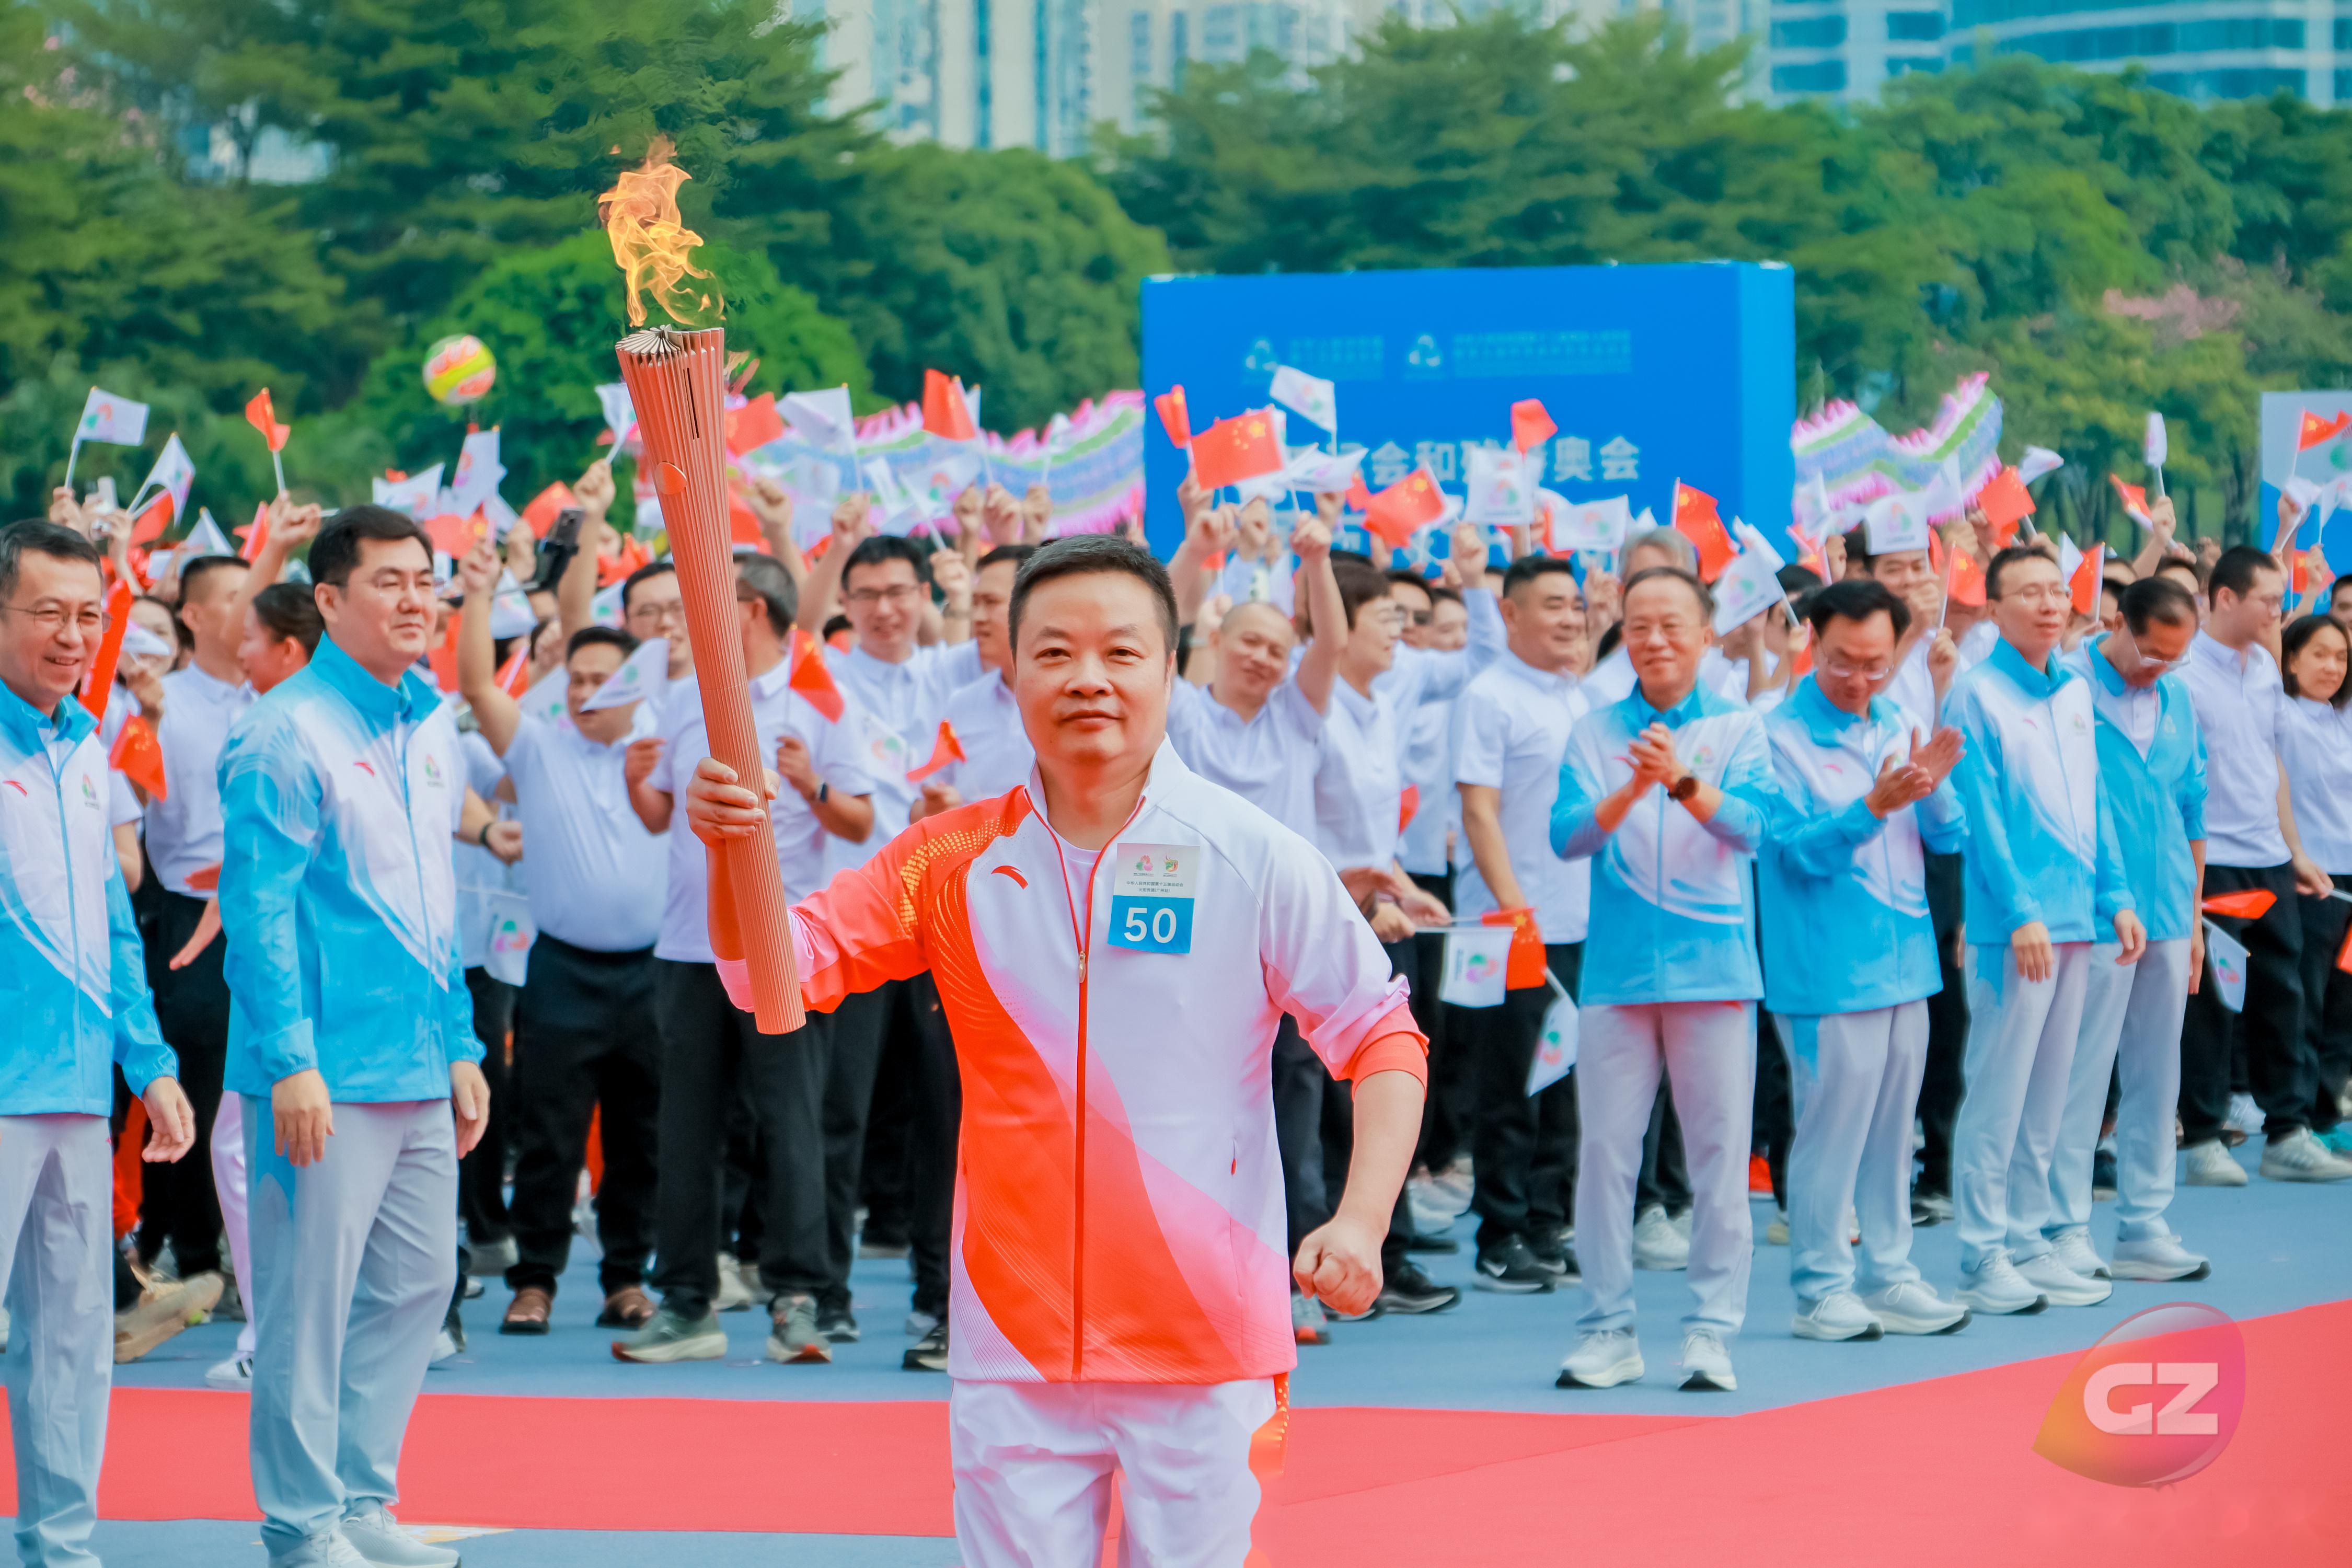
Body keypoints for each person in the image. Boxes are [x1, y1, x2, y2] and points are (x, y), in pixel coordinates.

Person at [681, 536, 1426, 1566]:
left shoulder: (1251, 857)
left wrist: (1363, 1218)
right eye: (1055, 653)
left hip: (1203, 1341)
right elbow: (770, 980)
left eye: (1122, 653)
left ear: (1175, 667)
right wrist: (731, 856)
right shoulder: (948, 862)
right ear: (1013, 669)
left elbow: (1381, 1032)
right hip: (1012, 1341)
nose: (1088, 679)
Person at [217, 506, 491, 1568]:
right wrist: (290, 1061)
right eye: (390, 582)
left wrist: (463, 1041)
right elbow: (259, 909)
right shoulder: (283, 731)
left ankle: (363, 1500)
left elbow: (438, 903)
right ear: (328, 601)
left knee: (419, 1285)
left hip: (419, 1060)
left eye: (427, 580)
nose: (418, 599)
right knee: (306, 1306)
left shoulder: (430, 728)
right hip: (323, 1072)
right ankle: (301, 1524)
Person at [617, 551, 877, 1364]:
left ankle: (799, 1298)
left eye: (706, 599)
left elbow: (860, 823)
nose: (686, 618)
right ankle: (688, 1301)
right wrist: (637, 781)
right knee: (687, 1130)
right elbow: (660, 815)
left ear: (754, 610)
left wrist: (805, 784)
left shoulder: (822, 699)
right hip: (690, 947)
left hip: (781, 949)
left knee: (790, 1125)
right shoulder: (683, 695)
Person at [0, 520, 195, 1568]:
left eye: (89, 614)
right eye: (49, 613)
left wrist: (150, 1063)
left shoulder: (83, 742)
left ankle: (61, 1547)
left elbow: (113, 928)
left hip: (75, 1095)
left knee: (70, 1345)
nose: (75, 636)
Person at [1549, 566, 1775, 1392]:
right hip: (1616, 973)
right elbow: (1567, 837)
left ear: (1707, 634)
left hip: (1714, 970)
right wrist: (1632, 788)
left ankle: (1713, 1330)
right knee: (1606, 1153)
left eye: (1673, 624)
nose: (1655, 639)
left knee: (1717, 1158)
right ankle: (1608, 1327)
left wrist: (1681, 782)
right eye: (1640, 625)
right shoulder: (1593, 731)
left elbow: (1757, 828)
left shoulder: (1740, 728)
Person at [456, 539, 667, 1334]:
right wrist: (480, 593)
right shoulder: (540, 748)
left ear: (633, 686)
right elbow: (478, 683)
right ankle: (534, 1278)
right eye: (573, 681)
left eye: (598, 682)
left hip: (652, 971)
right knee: (549, 1132)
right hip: (561, 971)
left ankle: (625, 1279)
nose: (582, 694)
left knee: (640, 1136)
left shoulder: (665, 742)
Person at [1760, 578, 1973, 1341]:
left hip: (1905, 960)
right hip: (1824, 970)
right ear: (1813, 644)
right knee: (1830, 1130)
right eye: (1846, 661)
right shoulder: (1774, 736)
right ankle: (1821, 1287)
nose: (1862, 679)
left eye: (1878, 663)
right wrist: (1874, 806)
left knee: (1894, 1130)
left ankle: (1890, 1272)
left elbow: (1947, 840)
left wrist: (1935, 790)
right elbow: (1791, 855)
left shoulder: (1900, 717)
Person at [1943, 546, 2142, 1318]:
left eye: (2057, 590)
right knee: (1999, 1090)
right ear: (1993, 610)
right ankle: (1981, 1251)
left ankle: (2029, 1237)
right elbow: (1980, 815)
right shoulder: (1976, 695)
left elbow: (2093, 803)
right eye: (2028, 593)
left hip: (2077, 920)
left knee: (2050, 1096)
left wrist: (2116, 895)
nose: (2049, 604)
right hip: (2012, 927)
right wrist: (2019, 909)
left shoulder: (2073, 693)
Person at [2043, 577, 2212, 1282]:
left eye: (2175, 657)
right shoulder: (2066, 687)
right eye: (2151, 652)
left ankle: (2144, 1223)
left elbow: (2193, 809)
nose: (2159, 668)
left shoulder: (2177, 698)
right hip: (2095, 911)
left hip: (2170, 907)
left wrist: (2197, 917)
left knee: (2156, 1070)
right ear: (2118, 621)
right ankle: (2062, 1225)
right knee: (2082, 1070)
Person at [2177, 543, 2347, 1182]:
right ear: (2225, 598)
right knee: (2216, 1001)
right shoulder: (2185, 673)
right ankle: (2201, 1138)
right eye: (2270, 601)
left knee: (2286, 993)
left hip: (2270, 860)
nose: (2282, 611)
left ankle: (2289, 1131)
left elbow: (2270, 761)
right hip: (2213, 861)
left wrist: (2296, 851)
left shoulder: (2264, 669)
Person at [1451, 555, 1592, 1292]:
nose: (1570, 618)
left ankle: (1547, 1220)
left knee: (1566, 1079)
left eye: (1577, 605)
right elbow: (1479, 810)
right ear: (1510, 615)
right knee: (1512, 1081)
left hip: (1578, 919)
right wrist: (1514, 912)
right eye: (1553, 606)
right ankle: (1500, 1232)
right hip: (1508, 924)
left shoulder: (1577, 694)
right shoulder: (1490, 696)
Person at [200, 581, 327, 1392]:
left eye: (250, 637)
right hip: (319, 1000)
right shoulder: (349, 722)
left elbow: (263, 897)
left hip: (304, 998)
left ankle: (273, 1338)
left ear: (288, 649)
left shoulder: (278, 732)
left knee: (254, 1156)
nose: (238, 651)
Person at [2279, 613, 2352, 1157]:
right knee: (2307, 997)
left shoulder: (2343, 719)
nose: (2332, 666)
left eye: (2342, 657)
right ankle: (2296, 1118)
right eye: (2320, 654)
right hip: (2311, 879)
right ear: (2291, 659)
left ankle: (2327, 1111)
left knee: (2346, 1004)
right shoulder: (2280, 714)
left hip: (2350, 880)